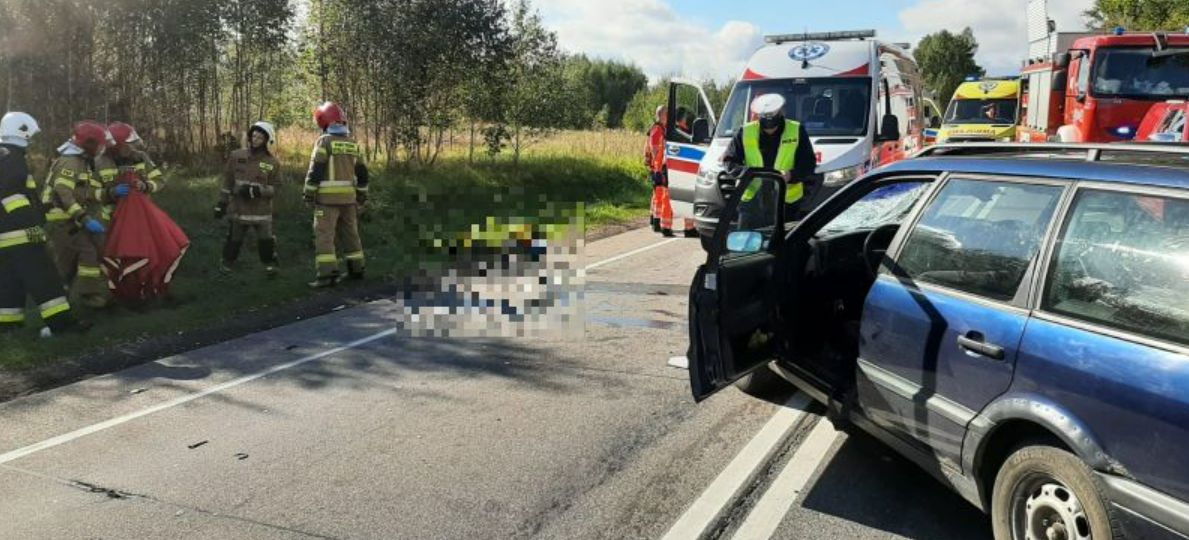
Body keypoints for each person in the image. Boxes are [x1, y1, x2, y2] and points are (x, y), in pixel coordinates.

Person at [0, 112, 86, 336]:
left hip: (5, 235)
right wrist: (33, 225)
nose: (33, 140)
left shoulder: (4, 157)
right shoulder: (13, 159)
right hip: (22, 234)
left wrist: (43, 209)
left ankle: (8, 326)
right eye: (31, 135)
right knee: (44, 278)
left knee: (10, 281)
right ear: (22, 131)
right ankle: (63, 326)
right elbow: (12, 197)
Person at [41, 121, 112, 308]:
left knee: (74, 262)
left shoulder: (82, 162)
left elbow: (84, 193)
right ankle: (76, 300)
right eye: (98, 144)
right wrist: (84, 218)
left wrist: (108, 195)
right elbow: (63, 193)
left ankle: (71, 300)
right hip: (61, 222)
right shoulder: (71, 162)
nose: (100, 148)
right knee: (72, 261)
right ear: (88, 143)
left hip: (70, 221)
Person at [720, 93, 817, 225]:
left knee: (784, 244)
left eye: (773, 125)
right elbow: (729, 161)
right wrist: (747, 173)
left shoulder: (796, 130)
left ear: (781, 113)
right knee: (747, 243)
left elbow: (809, 163)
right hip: (752, 204)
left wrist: (791, 175)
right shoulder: (745, 132)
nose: (770, 130)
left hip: (787, 204)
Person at [303, 101, 369, 288]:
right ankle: (357, 270)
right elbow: (362, 172)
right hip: (349, 200)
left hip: (326, 201)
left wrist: (308, 194)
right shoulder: (352, 143)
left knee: (324, 235)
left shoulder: (324, 142)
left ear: (323, 122)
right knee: (351, 234)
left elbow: (316, 170)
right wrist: (362, 195)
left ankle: (327, 275)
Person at [215, 121, 281, 277]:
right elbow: (228, 182)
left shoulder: (272, 163)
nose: (255, 139)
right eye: (254, 135)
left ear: (267, 141)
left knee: (266, 242)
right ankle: (226, 265)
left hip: (262, 212)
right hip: (239, 210)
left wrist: (258, 191)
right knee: (233, 241)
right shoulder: (236, 156)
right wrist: (221, 203)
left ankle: (270, 266)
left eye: (260, 137)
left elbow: (277, 187)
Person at [108, 122, 165, 195]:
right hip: (115, 205)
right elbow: (92, 192)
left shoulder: (141, 157)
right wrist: (111, 192)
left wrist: (145, 186)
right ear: (116, 146)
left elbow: (159, 181)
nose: (131, 148)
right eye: (127, 145)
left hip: (139, 204)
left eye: (132, 144)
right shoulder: (102, 162)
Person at [645, 105, 665, 232]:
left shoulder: (659, 128)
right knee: (659, 193)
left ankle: (653, 219)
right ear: (662, 115)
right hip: (657, 167)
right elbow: (655, 149)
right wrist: (658, 167)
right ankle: (657, 222)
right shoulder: (657, 129)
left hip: (657, 166)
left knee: (656, 193)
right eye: (667, 113)